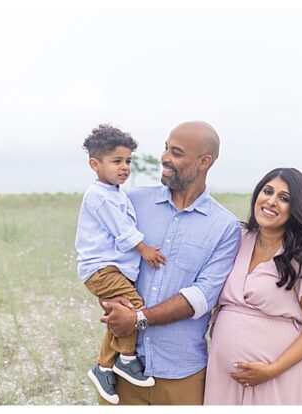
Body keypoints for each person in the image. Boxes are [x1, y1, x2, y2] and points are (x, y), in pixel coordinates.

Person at [98, 121, 242, 405]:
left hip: (182, 375)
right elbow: (102, 257)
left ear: (204, 162)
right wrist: (111, 303)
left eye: (176, 152)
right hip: (120, 369)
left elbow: (202, 297)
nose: (164, 157)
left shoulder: (225, 227)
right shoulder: (130, 202)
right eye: (165, 148)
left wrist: (136, 319)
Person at [204, 168, 302, 405]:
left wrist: (272, 369)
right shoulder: (236, 240)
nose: (271, 201)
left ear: (297, 209)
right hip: (223, 376)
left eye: (284, 198)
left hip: (278, 377)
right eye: (267, 191)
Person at [76, 124, 163, 404]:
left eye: (128, 161)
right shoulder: (99, 196)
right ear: (95, 164)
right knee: (134, 308)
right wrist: (145, 249)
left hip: (111, 270)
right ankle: (125, 359)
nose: (125, 167)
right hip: (101, 269)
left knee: (119, 314)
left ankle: (103, 368)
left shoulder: (116, 192)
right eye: (117, 161)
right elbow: (122, 230)